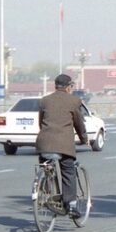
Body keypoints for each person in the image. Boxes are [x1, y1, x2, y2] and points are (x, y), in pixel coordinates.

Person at [35, 74, 90, 217]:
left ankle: (46, 192)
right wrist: (84, 139)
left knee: (46, 166)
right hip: (64, 144)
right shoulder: (74, 101)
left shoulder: (44, 100)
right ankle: (71, 205)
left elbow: (41, 122)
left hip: (44, 142)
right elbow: (79, 123)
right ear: (68, 87)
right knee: (68, 171)